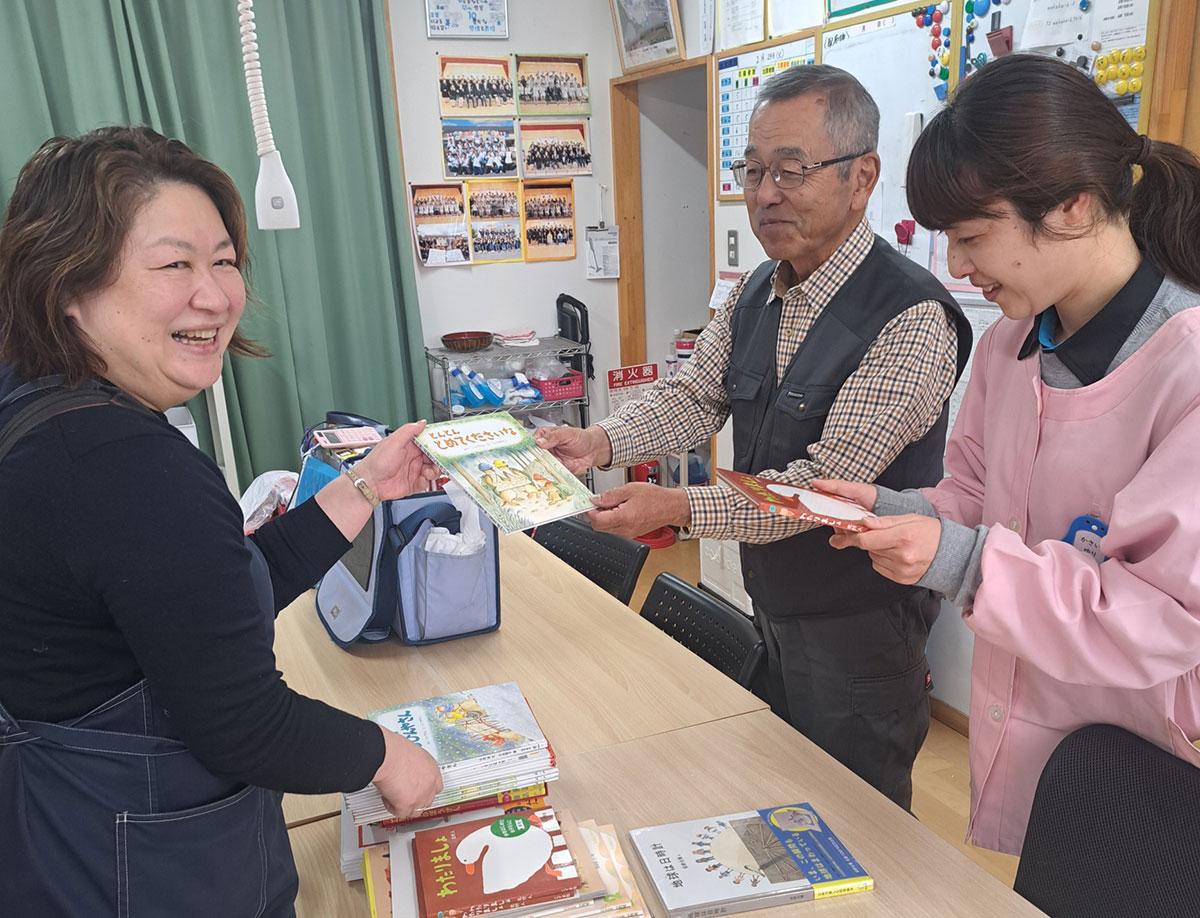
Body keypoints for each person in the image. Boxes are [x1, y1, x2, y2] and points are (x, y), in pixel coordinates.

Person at [0, 126, 443, 915]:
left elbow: (203, 600)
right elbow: (243, 722)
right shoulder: (120, 464)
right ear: (68, 284)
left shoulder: (37, 408)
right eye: (175, 265)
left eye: (225, 261)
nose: (216, 296)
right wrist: (384, 753)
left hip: (57, 841)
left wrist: (367, 486)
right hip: (140, 868)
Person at [534, 65, 971, 809]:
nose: (766, 193)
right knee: (780, 796)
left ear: (862, 177)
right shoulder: (756, 291)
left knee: (856, 824)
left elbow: (819, 489)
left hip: (858, 630)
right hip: (772, 605)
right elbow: (695, 395)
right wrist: (599, 441)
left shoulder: (911, 318)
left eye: (792, 171)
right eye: (754, 169)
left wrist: (677, 508)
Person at [818, 53, 1200, 855]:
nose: (957, 268)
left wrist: (961, 561)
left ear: (1072, 206)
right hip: (1035, 727)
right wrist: (892, 510)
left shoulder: (1187, 367)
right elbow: (977, 498)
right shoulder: (1010, 348)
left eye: (971, 237)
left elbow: (1159, 614)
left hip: (1155, 762)